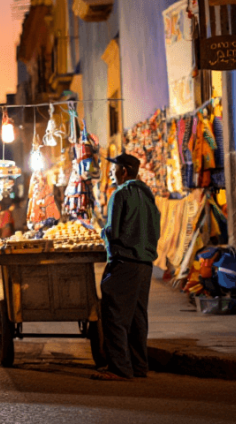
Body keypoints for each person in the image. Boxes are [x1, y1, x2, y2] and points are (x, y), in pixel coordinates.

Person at [93, 152, 160, 382]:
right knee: (138, 317)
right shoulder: (148, 195)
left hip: (125, 262)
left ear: (123, 171)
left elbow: (114, 231)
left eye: (114, 169)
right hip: (145, 264)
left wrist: (102, 234)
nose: (111, 173)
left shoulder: (120, 194)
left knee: (114, 314)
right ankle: (139, 366)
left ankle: (120, 368)